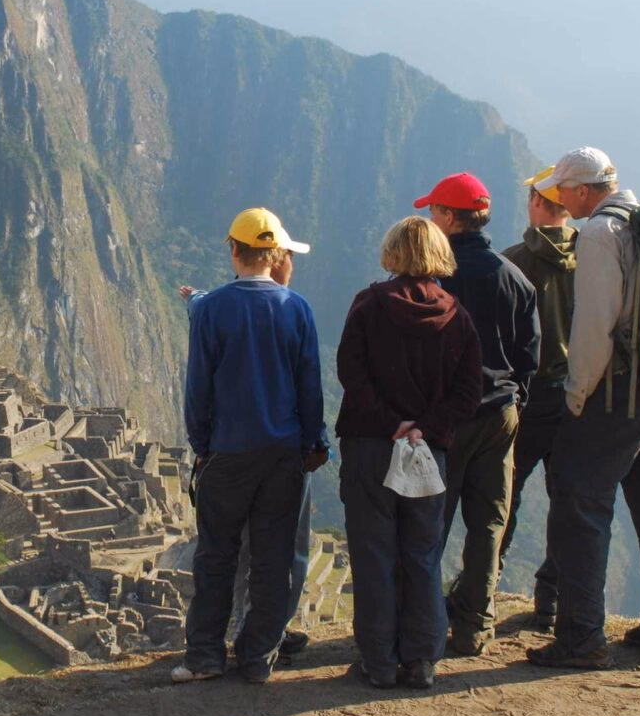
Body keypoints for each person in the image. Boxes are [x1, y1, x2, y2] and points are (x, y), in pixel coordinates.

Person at [525, 147, 640, 670]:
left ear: (582, 190)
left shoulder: (599, 235)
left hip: (619, 389)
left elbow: (594, 326)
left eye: (563, 191)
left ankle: (579, 638)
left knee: (579, 500)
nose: (559, 200)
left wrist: (577, 396)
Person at [173, 207, 326, 684]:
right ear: (275, 254)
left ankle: (205, 656)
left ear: (234, 251)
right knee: (273, 555)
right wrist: (314, 442)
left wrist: (201, 445)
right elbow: (310, 387)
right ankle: (258, 656)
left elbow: (198, 387)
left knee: (216, 554)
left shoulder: (213, 309)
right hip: (283, 455)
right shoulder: (296, 309)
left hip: (227, 452)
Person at [335, 216, 482, 689]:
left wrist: (389, 423)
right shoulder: (457, 317)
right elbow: (468, 392)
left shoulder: (370, 305)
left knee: (373, 551)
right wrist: (425, 429)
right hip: (426, 452)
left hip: (372, 448)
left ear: (393, 252)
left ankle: (378, 661)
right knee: (422, 552)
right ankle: (422, 660)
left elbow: (350, 373)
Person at [420, 172, 540, 656]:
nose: (431, 219)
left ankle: (423, 624)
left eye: (434, 212)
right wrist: (511, 401)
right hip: (500, 415)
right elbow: (530, 356)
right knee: (489, 523)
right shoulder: (515, 278)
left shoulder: (434, 280)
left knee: (431, 521)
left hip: (447, 419)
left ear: (450, 218)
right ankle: (474, 625)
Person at [498, 167, 578, 631]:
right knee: (568, 500)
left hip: (526, 397)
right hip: (578, 398)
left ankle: (483, 588)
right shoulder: (595, 259)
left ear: (535, 203)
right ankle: (552, 600)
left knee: (504, 496)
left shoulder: (513, 264)